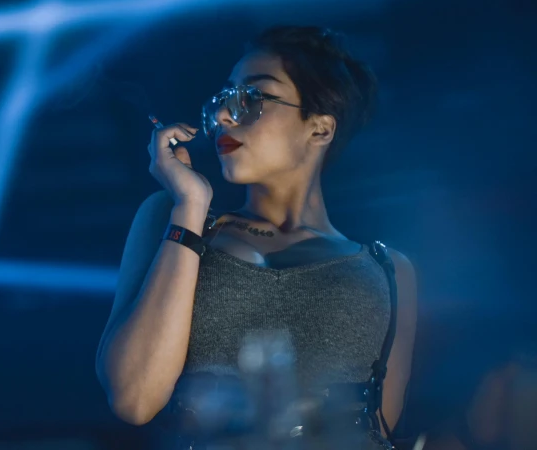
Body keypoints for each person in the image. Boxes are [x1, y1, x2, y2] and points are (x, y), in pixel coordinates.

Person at [95, 25, 417, 449]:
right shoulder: (173, 218)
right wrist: (190, 206)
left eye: (253, 98)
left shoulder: (388, 269)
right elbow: (134, 398)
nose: (226, 115)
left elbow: (380, 432)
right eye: (225, 99)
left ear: (319, 129)